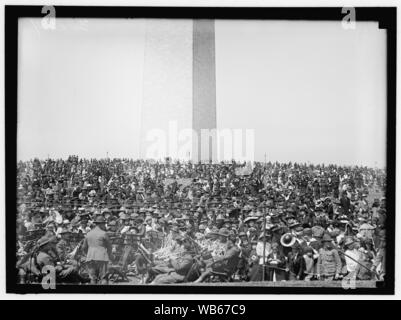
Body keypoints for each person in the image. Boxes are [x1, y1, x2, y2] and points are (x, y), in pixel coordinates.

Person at [82, 215, 112, 284]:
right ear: (101, 224)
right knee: (104, 277)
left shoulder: (88, 234)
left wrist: (88, 254)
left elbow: (84, 248)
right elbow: (109, 247)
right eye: (104, 224)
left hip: (90, 258)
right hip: (102, 257)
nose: (104, 225)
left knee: (93, 278)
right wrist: (110, 256)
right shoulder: (104, 233)